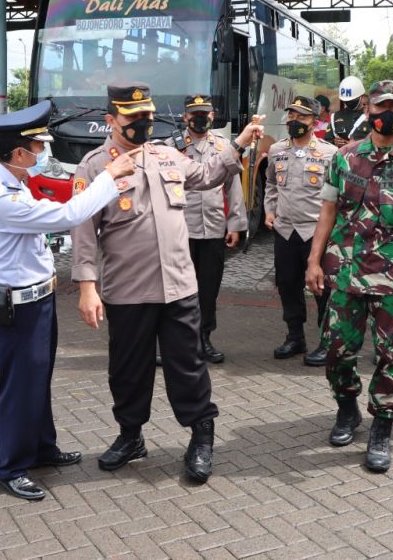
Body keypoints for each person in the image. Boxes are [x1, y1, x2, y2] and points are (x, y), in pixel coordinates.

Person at [72, 82, 264, 484]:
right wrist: (87, 285)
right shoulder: (94, 167)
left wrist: (240, 145)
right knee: (128, 369)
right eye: (133, 117)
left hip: (179, 286)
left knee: (188, 366)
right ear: (111, 120)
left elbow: (210, 174)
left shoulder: (167, 155)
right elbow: (84, 231)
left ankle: (201, 437)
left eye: (147, 115)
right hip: (127, 289)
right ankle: (130, 436)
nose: (143, 123)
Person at [0, 100, 140, 501]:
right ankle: (12, 466)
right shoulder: (2, 196)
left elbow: (58, 204)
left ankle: (41, 448)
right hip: (17, 307)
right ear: (19, 153)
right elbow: (68, 215)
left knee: (38, 380)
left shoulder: (15, 183)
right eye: (37, 148)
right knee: (18, 386)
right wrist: (109, 174)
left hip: (38, 301)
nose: (41, 154)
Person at [306, 80, 393, 473]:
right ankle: (347, 409)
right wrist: (313, 262)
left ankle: (382, 426)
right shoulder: (344, 158)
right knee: (337, 351)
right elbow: (327, 213)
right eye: (382, 106)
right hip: (344, 274)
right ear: (370, 107)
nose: (390, 114)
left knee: (390, 355)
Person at [265, 96, 338, 365]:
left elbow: (336, 196)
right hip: (285, 230)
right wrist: (269, 210)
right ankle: (295, 337)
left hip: (315, 232)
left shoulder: (330, 153)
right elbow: (271, 183)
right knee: (287, 285)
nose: (294, 121)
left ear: (314, 121)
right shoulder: (276, 151)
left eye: (302, 117)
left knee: (321, 288)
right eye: (292, 116)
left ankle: (326, 341)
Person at [176, 93, 248, 363]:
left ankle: (204, 338)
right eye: (194, 113)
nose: (199, 118)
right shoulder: (173, 147)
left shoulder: (222, 145)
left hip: (214, 229)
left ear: (212, 116)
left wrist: (236, 224)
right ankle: (181, 341)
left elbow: (233, 186)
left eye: (204, 113)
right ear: (185, 117)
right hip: (182, 230)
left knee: (208, 289)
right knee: (179, 290)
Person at [325, 76, 370, 147]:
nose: (349, 103)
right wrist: (334, 142)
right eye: (346, 101)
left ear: (361, 96)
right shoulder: (335, 117)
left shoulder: (372, 116)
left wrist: (358, 145)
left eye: (352, 100)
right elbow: (326, 141)